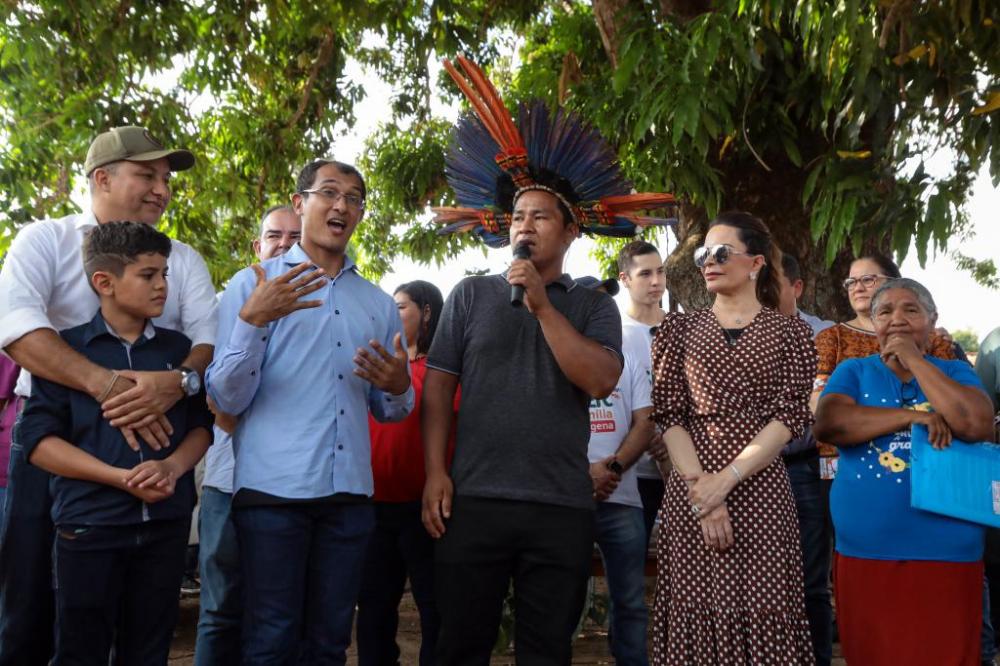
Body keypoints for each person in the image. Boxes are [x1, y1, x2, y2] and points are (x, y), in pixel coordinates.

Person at [421, 56, 674, 664]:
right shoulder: (471, 295)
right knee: (459, 645)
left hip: (560, 504)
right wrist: (435, 471)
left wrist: (540, 305)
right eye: (516, 217)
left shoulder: (592, 305)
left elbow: (600, 378)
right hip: (475, 498)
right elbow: (436, 389)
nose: (524, 225)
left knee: (545, 650)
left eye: (539, 216)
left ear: (568, 233)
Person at [0, 126, 217, 666]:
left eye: (166, 179)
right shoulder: (44, 240)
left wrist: (180, 381)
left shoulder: (182, 259)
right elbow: (17, 327)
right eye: (147, 174)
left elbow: (207, 343)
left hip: (156, 453)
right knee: (29, 600)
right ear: (102, 178)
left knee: (148, 619)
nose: (162, 190)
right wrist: (106, 385)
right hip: (54, 444)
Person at [206, 159, 414, 664]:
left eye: (355, 197)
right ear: (301, 204)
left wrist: (398, 385)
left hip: (350, 499)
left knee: (330, 641)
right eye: (329, 192)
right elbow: (225, 400)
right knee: (270, 639)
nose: (342, 205)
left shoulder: (378, 303)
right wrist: (253, 322)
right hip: (273, 493)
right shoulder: (252, 284)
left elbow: (390, 410)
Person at [649, 211, 816, 663]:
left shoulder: (792, 333)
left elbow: (788, 419)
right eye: (704, 252)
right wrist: (705, 492)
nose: (709, 261)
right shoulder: (676, 330)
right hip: (691, 487)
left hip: (761, 490)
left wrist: (727, 480)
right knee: (692, 607)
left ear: (756, 262)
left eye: (721, 252)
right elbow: (670, 417)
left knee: (764, 607)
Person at [814, 278, 994, 666]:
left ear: (932, 320)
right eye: (885, 312)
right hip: (867, 549)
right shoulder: (854, 371)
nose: (897, 319)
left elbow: (976, 424)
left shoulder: (955, 371)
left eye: (910, 310)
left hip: (948, 550)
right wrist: (917, 418)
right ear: (873, 323)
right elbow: (831, 424)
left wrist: (914, 360)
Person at [194, 204, 301, 665]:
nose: (285, 245)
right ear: (257, 246)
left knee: (278, 611)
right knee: (220, 609)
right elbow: (213, 395)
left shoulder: (327, 306)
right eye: (275, 236)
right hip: (228, 478)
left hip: (293, 485)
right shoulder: (232, 297)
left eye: (296, 237)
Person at [357, 280, 450, 666]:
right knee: (374, 610)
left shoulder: (444, 369)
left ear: (426, 312)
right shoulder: (375, 365)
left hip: (426, 509)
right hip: (373, 506)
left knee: (435, 610)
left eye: (400, 307)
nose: (390, 315)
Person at [579, 275, 654, 665]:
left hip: (622, 496)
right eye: (591, 302)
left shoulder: (630, 354)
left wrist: (612, 467)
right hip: (568, 498)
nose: (600, 310)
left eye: (605, 303)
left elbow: (646, 421)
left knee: (629, 601)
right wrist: (583, 474)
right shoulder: (558, 353)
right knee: (559, 600)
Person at [777, 252, 834, 666]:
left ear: (796, 287)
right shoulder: (734, 332)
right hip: (747, 473)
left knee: (811, 582)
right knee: (763, 580)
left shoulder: (826, 336)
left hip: (806, 469)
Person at [617, 240, 670, 545]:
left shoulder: (683, 329)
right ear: (624, 279)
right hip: (633, 471)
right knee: (631, 567)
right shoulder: (615, 333)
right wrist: (647, 435)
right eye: (646, 274)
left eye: (661, 272)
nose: (656, 281)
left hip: (684, 466)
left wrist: (675, 438)